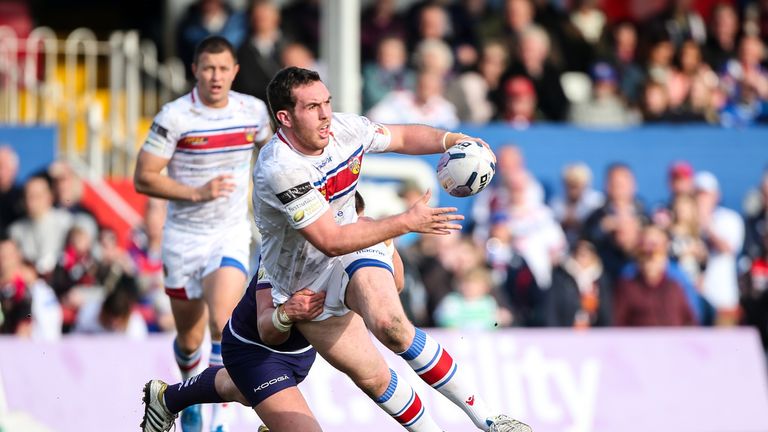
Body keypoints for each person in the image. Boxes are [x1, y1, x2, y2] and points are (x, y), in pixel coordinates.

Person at [253, 67, 529, 432]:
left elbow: (402, 136)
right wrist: (406, 222)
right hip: (305, 283)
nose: (325, 115)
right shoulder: (280, 167)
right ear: (285, 118)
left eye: (327, 103)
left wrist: (454, 139)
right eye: (312, 107)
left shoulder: (345, 128)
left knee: (392, 327)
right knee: (374, 378)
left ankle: (491, 420)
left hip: (355, 246)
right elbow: (328, 240)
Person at [141, 192, 406, 432]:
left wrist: (386, 244)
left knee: (239, 390)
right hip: (256, 352)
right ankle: (194, 410)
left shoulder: (357, 245)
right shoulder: (284, 253)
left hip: (299, 356)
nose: (356, 236)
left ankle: (168, 398)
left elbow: (393, 288)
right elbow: (268, 330)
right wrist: (287, 313)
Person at [133, 36, 271, 432]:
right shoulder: (175, 116)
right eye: (208, 68)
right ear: (195, 70)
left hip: (229, 232)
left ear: (235, 72)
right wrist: (197, 192)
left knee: (222, 325)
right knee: (189, 340)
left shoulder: (253, 111)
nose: (216, 76)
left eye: (223, 69)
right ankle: (188, 395)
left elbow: (272, 153)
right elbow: (143, 177)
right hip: (183, 238)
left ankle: (217, 420)